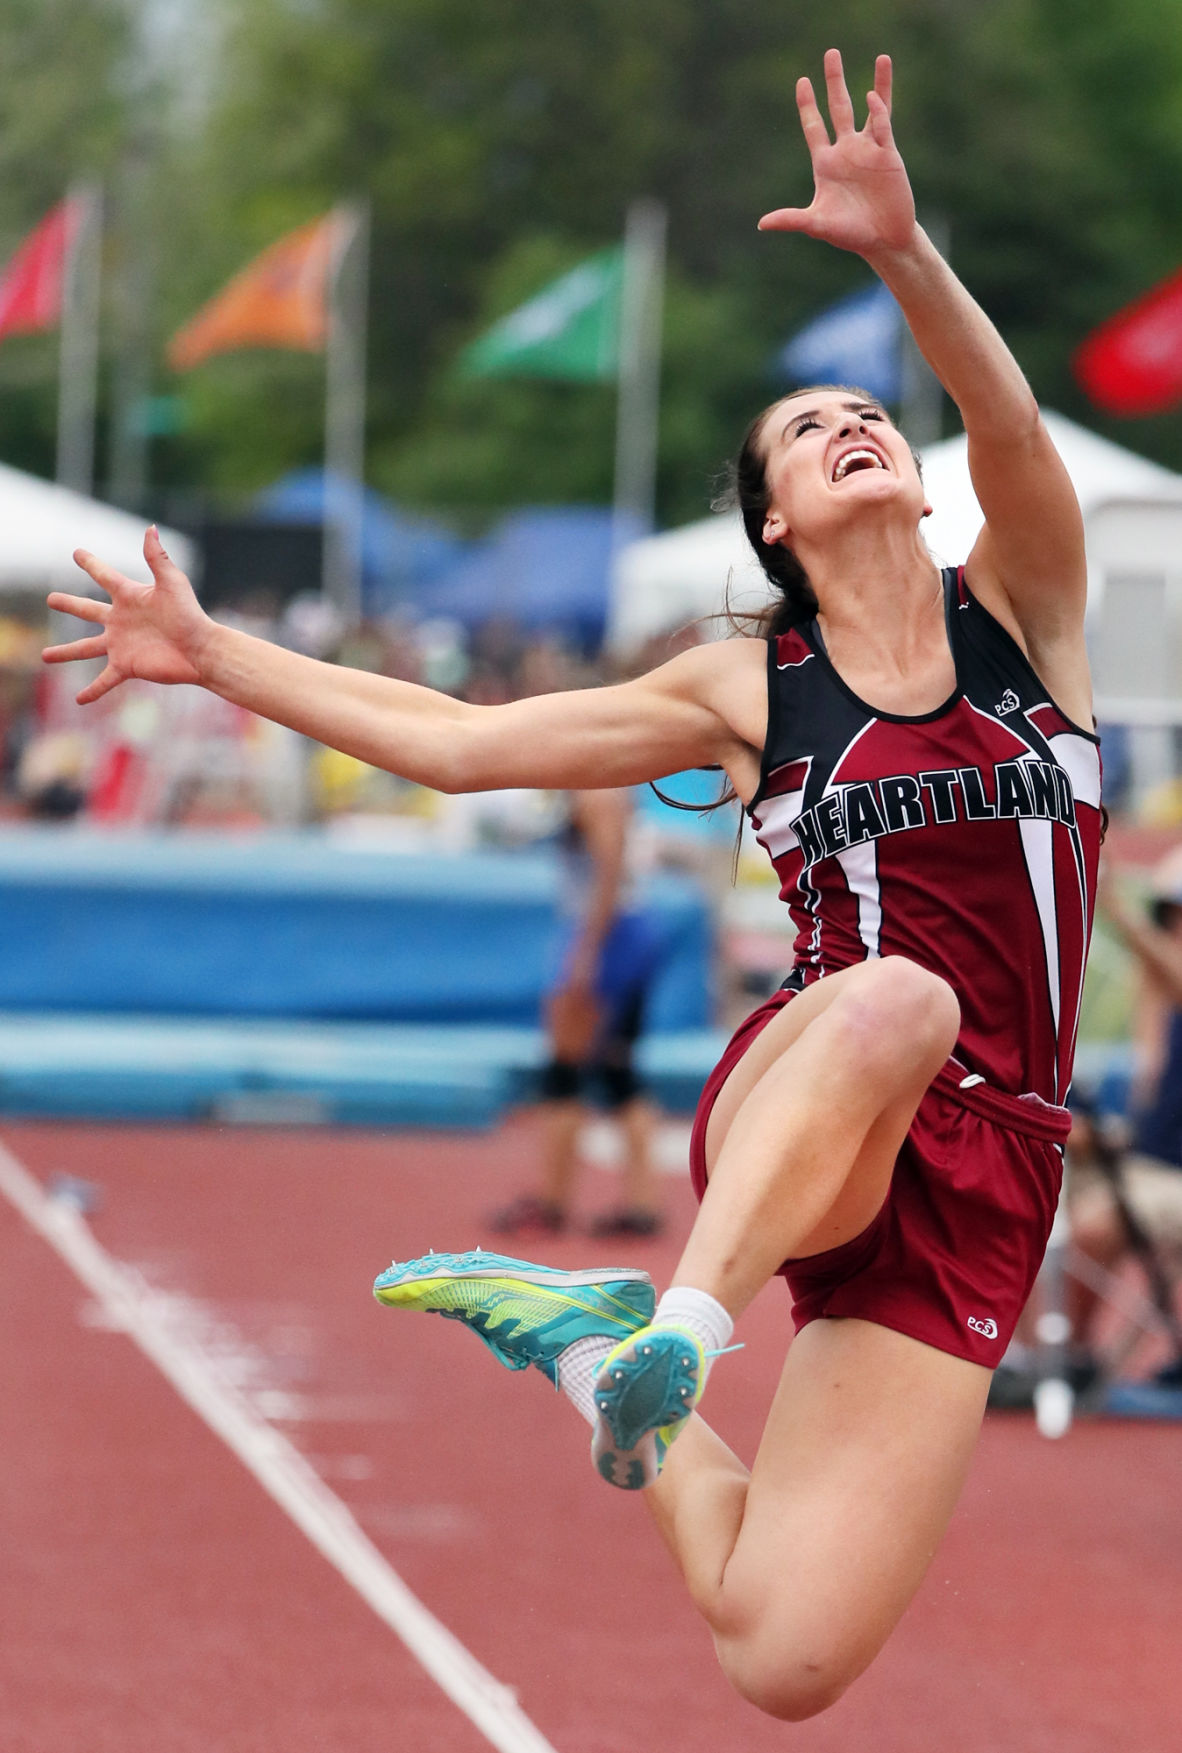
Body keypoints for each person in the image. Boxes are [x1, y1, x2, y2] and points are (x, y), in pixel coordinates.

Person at [44, 50, 1101, 1722]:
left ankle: (599, 1352)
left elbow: (1009, 422)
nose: (848, 426)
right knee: (908, 995)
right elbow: (460, 743)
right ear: (774, 525)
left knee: (784, 1652)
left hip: (1001, 1159)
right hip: (820, 1105)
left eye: (862, 414)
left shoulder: (1025, 611)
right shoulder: (745, 685)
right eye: (805, 430)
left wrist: (901, 253)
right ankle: (682, 1310)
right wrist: (214, 655)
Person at [489, 784, 668, 1239]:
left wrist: (586, 953)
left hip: (611, 936)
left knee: (566, 1072)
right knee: (615, 1073)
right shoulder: (604, 790)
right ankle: (640, 1204)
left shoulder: (599, 793)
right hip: (621, 932)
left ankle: (552, 1203)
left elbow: (609, 871)